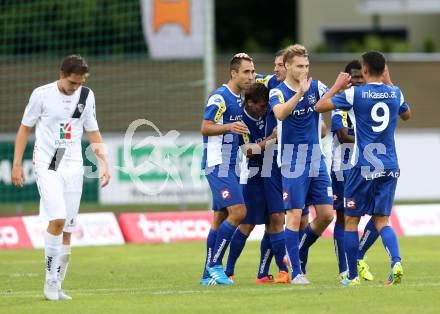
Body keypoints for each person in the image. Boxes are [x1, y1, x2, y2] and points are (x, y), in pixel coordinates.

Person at [11, 54, 111, 300]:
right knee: (56, 219)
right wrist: (16, 164)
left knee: (67, 227)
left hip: (73, 163)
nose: (75, 88)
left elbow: (93, 131)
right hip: (49, 162)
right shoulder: (41, 95)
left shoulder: (87, 96)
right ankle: (49, 280)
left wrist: (104, 162)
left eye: (79, 83)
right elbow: (25, 128)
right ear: (61, 75)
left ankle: (57, 286)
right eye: (71, 83)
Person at [315, 51, 411, 286]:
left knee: (350, 221)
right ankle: (396, 261)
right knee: (382, 221)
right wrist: (389, 82)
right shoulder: (395, 93)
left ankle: (352, 276)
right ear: (384, 70)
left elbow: (319, 106)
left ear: (365, 71)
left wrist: (337, 86)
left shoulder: (355, 93)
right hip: (390, 165)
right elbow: (407, 114)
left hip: (363, 165)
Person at [270, 44, 350, 284]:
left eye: (307, 66)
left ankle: (294, 252)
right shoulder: (278, 91)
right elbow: (280, 114)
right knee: (294, 215)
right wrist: (300, 94)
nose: (304, 70)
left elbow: (329, 101)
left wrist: (339, 89)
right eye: (299, 66)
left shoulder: (317, 87)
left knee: (326, 215)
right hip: (292, 161)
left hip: (317, 159)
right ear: (287, 66)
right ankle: (296, 272)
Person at [200, 53, 255, 285]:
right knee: (239, 213)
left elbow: (246, 147)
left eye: (252, 72)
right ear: (233, 73)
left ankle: (206, 275)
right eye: (246, 72)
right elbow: (205, 127)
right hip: (218, 164)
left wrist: (271, 140)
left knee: (220, 218)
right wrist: (228, 127)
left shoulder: (240, 99)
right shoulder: (220, 97)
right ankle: (215, 264)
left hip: (232, 166)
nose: (251, 76)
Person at [224, 82, 278, 283]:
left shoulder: (266, 113)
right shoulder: (241, 121)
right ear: (249, 103)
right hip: (252, 176)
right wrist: (272, 139)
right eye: (262, 106)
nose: (265, 110)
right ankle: (228, 270)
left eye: (266, 106)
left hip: (272, 174)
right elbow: (248, 151)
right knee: (247, 224)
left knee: (274, 221)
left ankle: (263, 273)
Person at [331, 60, 376, 281]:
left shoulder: (368, 106)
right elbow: (342, 135)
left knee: (379, 215)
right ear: (347, 80)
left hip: (367, 168)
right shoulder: (340, 106)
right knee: (343, 218)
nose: (358, 81)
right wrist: (370, 137)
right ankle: (344, 269)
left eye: (361, 77)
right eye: (353, 78)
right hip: (343, 170)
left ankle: (357, 256)